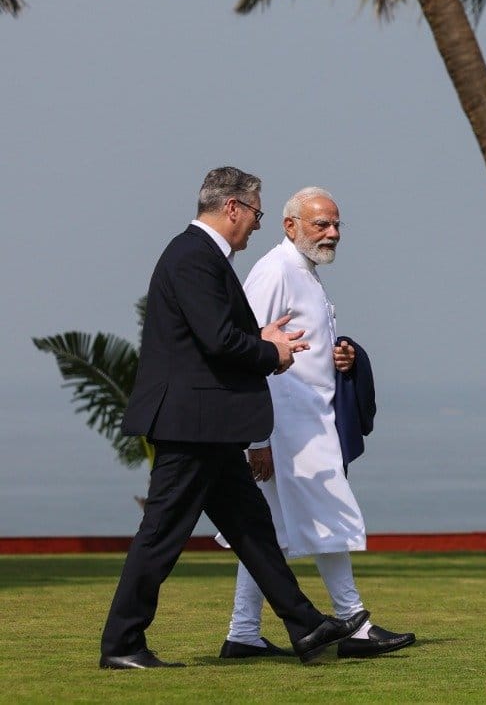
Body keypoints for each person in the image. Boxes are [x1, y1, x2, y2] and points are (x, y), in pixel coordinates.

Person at [100, 167, 368, 669]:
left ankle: (306, 627)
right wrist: (272, 352)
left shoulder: (198, 257)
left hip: (210, 423)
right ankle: (121, 644)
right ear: (233, 209)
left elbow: (216, 334)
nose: (256, 226)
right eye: (257, 214)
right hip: (192, 424)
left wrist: (261, 338)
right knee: (161, 535)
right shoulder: (194, 257)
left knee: (253, 530)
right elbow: (217, 340)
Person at [219, 187, 414, 660]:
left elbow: (300, 345)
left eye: (336, 225)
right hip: (286, 429)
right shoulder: (276, 270)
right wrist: (257, 439)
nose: (332, 233)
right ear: (290, 226)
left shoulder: (302, 271)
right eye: (320, 224)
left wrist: (341, 356)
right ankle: (356, 624)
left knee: (271, 535)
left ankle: (243, 635)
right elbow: (246, 349)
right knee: (328, 517)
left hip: (304, 424)